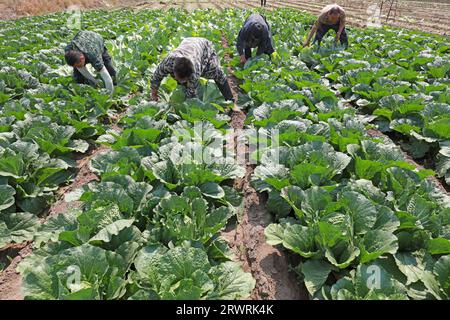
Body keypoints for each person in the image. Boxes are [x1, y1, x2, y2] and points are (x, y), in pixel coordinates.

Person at [151, 37, 237, 109]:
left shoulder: (195, 71)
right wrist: (154, 95)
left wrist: (188, 109)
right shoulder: (167, 63)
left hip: (204, 47)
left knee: (217, 73)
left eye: (184, 80)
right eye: (179, 79)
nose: (181, 82)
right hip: (188, 42)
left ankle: (231, 101)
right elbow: (156, 78)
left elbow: (191, 97)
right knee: (182, 84)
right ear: (174, 71)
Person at [65, 30, 116, 95]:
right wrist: (94, 81)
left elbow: (107, 78)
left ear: (82, 59)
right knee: (78, 75)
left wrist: (109, 97)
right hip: (82, 36)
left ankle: (115, 84)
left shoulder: (93, 55)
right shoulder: (68, 51)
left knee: (109, 67)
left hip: (97, 40)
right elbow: (80, 68)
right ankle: (82, 90)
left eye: (79, 65)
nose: (79, 67)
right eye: (76, 66)